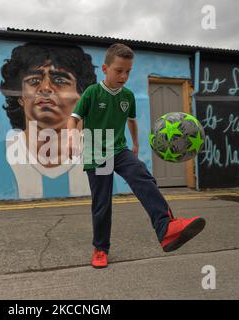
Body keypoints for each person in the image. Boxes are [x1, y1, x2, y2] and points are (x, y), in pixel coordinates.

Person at [67, 43, 206, 268]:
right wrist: (71, 137)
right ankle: (100, 249)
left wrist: (136, 144)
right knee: (102, 203)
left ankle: (166, 228)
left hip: (120, 150)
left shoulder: (128, 96)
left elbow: (131, 120)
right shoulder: (93, 92)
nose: (124, 76)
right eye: (118, 70)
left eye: (128, 71)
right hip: (98, 155)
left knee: (142, 175)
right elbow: (73, 118)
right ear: (105, 68)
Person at [0, 43, 123, 199]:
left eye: (60, 81)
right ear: (20, 97)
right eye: (34, 81)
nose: (45, 88)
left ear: (82, 96)